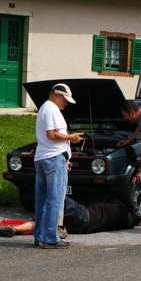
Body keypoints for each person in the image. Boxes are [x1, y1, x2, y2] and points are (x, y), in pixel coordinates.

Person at [33, 83, 84, 249]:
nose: (66, 103)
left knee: (42, 200)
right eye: (65, 99)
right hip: (53, 159)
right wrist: (71, 137)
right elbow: (52, 134)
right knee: (56, 200)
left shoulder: (44, 108)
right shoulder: (52, 109)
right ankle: (50, 238)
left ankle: (40, 235)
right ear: (56, 95)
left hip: (42, 158)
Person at [0, 196, 135, 236]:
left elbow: (108, 196)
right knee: (49, 219)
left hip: (85, 215)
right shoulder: (118, 222)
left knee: (59, 197)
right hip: (82, 228)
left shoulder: (120, 207)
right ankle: (15, 229)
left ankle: (16, 228)